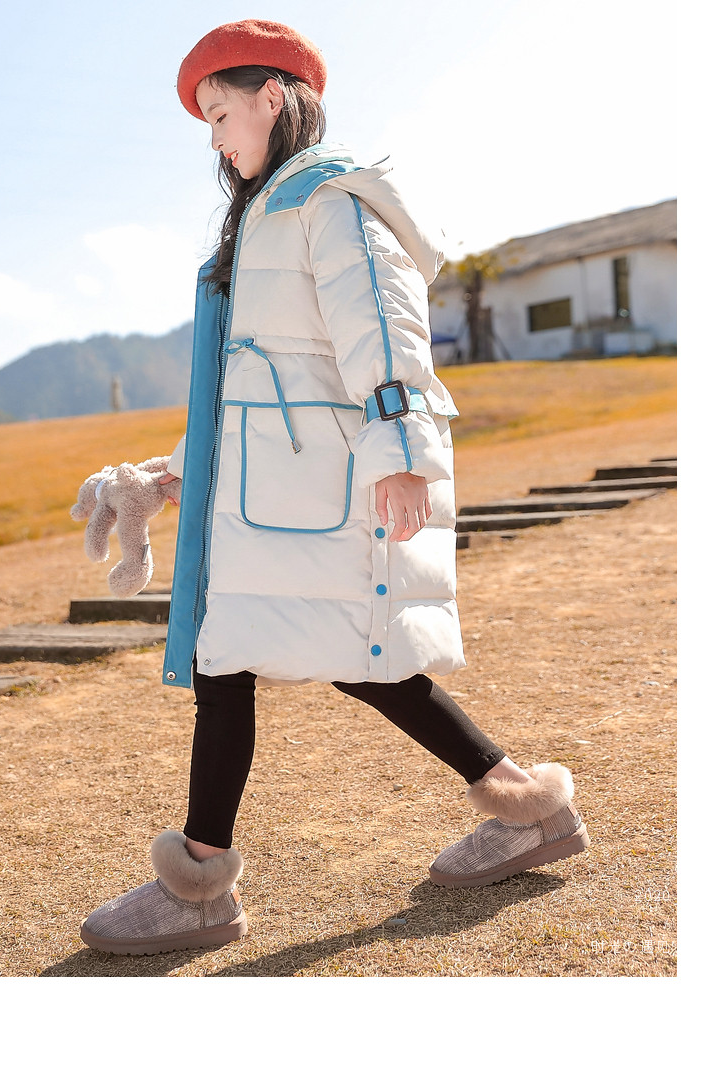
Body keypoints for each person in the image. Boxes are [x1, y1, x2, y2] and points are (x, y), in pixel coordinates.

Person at [80, 19, 590, 957]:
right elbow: (248, 381)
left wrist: (402, 449)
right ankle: (526, 808)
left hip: (323, 488)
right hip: (273, 495)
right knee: (320, 661)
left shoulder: (327, 199)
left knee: (279, 661)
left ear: (272, 97)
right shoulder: (268, 214)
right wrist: (172, 474)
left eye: (220, 113)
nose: (214, 140)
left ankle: (198, 889)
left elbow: (384, 328)